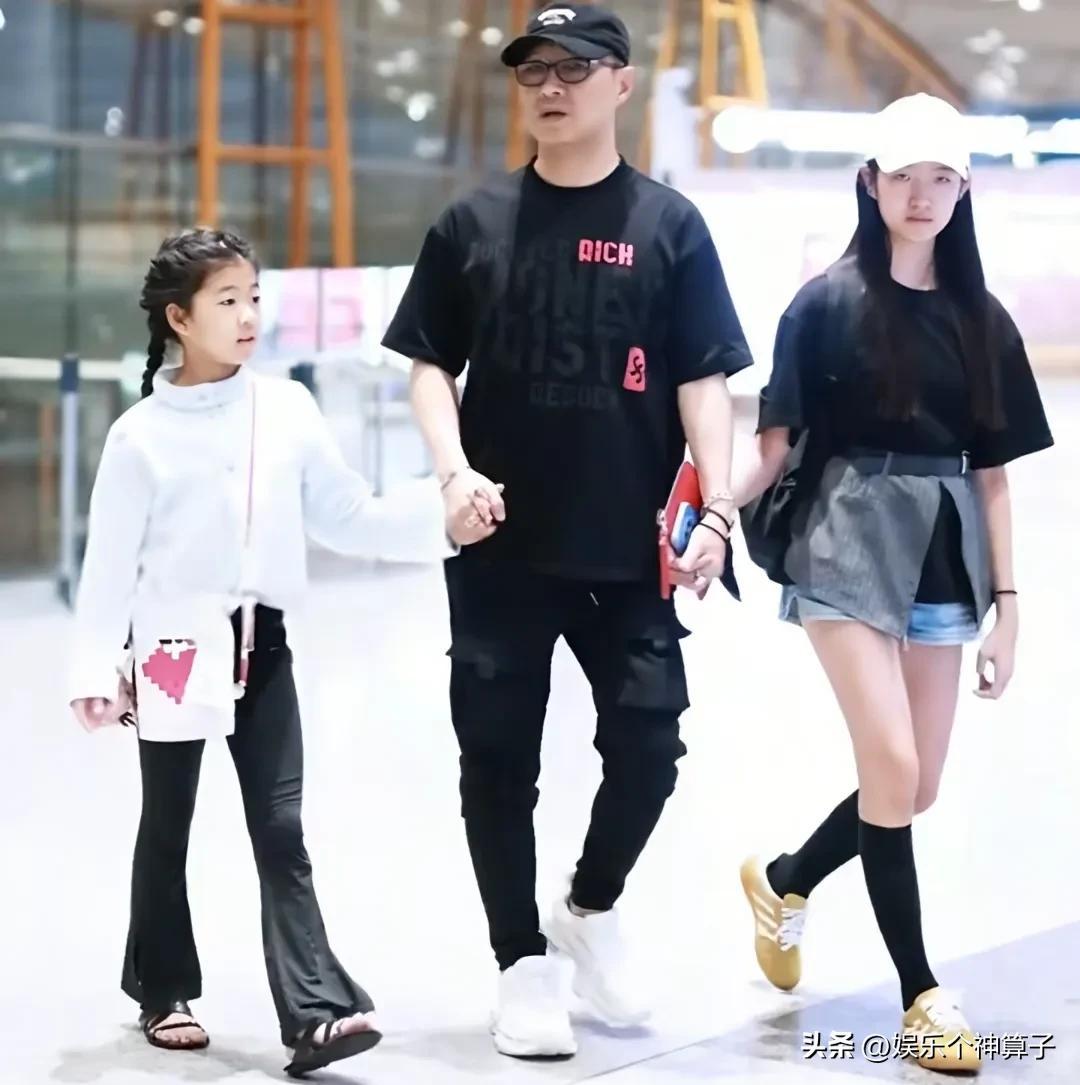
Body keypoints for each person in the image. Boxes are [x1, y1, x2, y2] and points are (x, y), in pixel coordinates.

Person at [382, 2, 752, 1060]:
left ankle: (589, 905)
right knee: (497, 761)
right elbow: (428, 364)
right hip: (499, 546)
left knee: (648, 742)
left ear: (621, 84)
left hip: (628, 549)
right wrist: (452, 471)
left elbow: (704, 379)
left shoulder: (670, 227)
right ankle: (521, 963)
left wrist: (718, 508)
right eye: (533, 70)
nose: (550, 86)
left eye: (575, 69)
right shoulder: (472, 223)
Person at [68, 227, 459, 1076]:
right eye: (227, 301)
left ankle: (316, 1013)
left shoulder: (287, 410)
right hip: (172, 649)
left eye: (253, 297)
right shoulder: (138, 436)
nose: (249, 316)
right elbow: (109, 565)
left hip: (262, 646)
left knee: (280, 826)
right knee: (168, 820)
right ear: (179, 318)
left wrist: (445, 516)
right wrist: (95, 669)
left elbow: (345, 515)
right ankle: (162, 989)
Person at [734, 94, 1054, 1075]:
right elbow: (773, 447)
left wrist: (1009, 609)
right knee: (890, 758)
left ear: (965, 192)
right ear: (869, 183)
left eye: (942, 179)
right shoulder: (824, 304)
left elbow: (993, 475)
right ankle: (922, 993)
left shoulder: (982, 319)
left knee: (914, 784)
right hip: (841, 536)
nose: (922, 196)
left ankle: (785, 879)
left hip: (942, 547)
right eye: (905, 176)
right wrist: (707, 516)